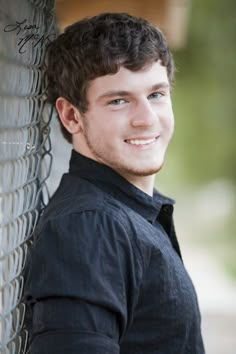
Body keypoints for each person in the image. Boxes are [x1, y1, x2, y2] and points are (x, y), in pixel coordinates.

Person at [23, 12, 205, 354]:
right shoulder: (90, 226)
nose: (146, 119)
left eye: (156, 95)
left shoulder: (130, 211)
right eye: (118, 101)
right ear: (72, 116)